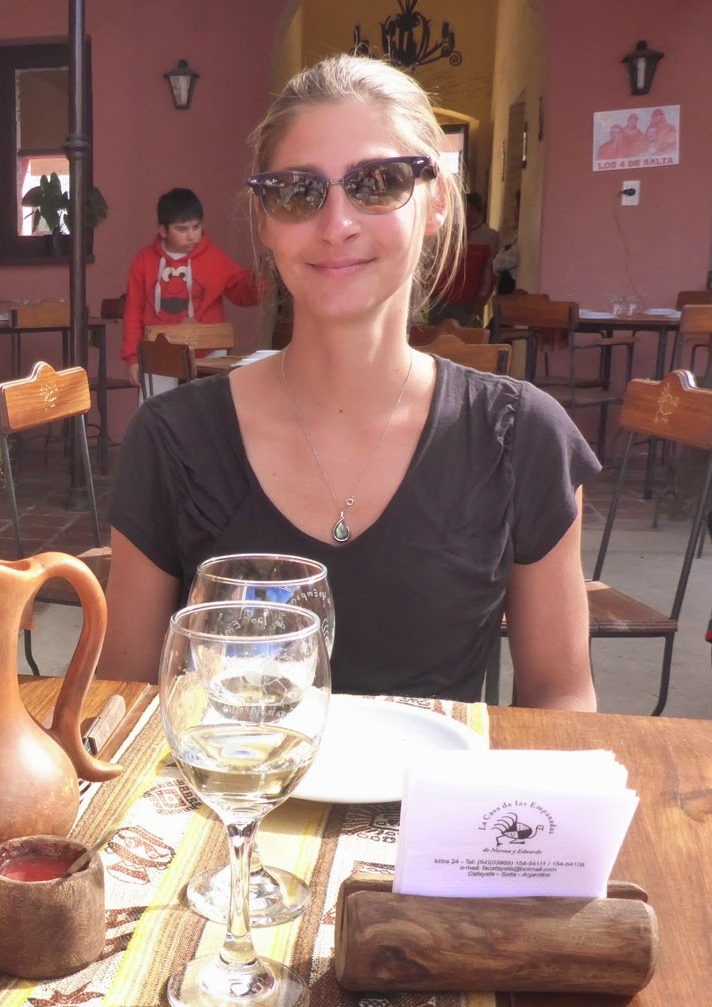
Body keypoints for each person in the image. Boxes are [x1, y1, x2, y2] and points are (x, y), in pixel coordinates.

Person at [102, 54, 599, 709]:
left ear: (437, 202)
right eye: (297, 191)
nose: (337, 225)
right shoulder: (172, 439)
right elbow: (125, 702)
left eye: (379, 182)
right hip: (238, 776)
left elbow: (561, 700)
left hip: (437, 781)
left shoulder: (520, 437)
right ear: (264, 221)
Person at [121, 188, 260, 386]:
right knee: (161, 406)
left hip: (210, 355)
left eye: (196, 227)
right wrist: (133, 358)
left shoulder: (215, 257)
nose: (191, 236)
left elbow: (242, 293)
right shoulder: (143, 261)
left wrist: (262, 276)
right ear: (163, 231)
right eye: (182, 229)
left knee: (207, 406)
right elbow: (133, 311)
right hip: (159, 355)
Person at [427, 191, 498, 325]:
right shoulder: (448, 232)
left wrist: (480, 300)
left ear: (479, 212)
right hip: (441, 297)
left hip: (466, 301)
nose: (467, 214)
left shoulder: (489, 236)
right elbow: (435, 262)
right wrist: (430, 288)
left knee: (460, 336)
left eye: (472, 210)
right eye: (464, 209)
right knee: (434, 334)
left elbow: (489, 272)